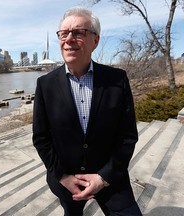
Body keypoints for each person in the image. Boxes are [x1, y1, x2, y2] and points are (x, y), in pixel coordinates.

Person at [32, 6, 142, 216]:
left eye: (78, 33)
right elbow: (41, 138)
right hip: (66, 181)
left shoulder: (117, 80)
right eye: (64, 33)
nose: (69, 39)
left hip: (110, 178)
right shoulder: (45, 85)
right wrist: (63, 176)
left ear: (96, 41)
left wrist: (103, 178)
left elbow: (127, 137)